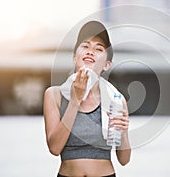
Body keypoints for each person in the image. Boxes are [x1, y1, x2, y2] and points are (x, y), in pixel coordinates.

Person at [43, 21, 131, 177]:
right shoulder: (54, 95)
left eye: (99, 49)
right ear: (75, 57)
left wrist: (123, 133)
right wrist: (74, 101)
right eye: (85, 46)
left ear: (107, 64)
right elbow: (54, 148)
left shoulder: (116, 100)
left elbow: (124, 160)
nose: (91, 51)